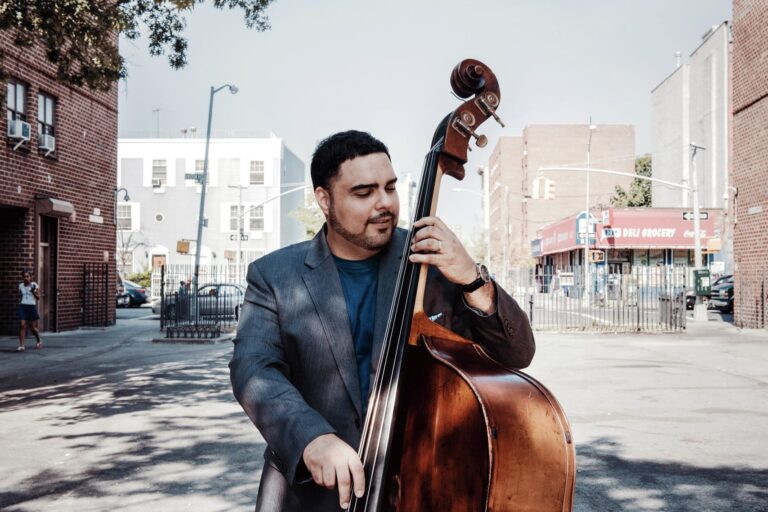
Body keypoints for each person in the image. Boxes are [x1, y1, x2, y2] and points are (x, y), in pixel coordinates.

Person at [230, 130, 535, 511]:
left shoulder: (432, 262)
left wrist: (474, 277)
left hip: (418, 488)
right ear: (325, 200)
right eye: (364, 192)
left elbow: (517, 354)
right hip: (307, 496)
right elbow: (253, 370)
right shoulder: (274, 275)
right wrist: (311, 438)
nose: (384, 204)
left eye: (390, 188)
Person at [18, 270, 42, 351]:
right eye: (24, 276)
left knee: (32, 328)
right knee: (22, 325)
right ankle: (22, 345)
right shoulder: (20, 286)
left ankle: (38, 340)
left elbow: (38, 298)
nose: (25, 278)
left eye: (27, 276)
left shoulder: (34, 285)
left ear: (30, 277)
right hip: (23, 306)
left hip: (31, 306)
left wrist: (33, 292)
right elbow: (20, 295)